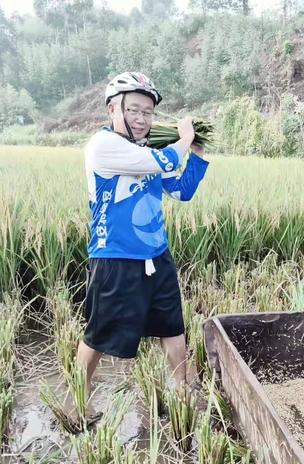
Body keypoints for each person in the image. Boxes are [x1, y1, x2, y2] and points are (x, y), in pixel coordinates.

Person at [76, 72, 209, 392]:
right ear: (112, 109)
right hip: (116, 255)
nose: (141, 119)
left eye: (147, 112)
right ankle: (77, 393)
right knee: (98, 334)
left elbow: (182, 191)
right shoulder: (103, 145)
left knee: (172, 327)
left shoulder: (146, 153)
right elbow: (165, 160)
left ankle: (182, 393)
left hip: (156, 254)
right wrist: (184, 139)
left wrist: (198, 151)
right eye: (133, 110)